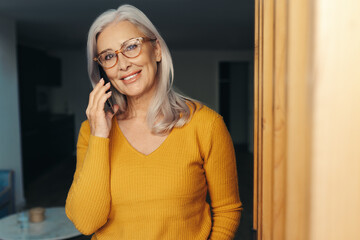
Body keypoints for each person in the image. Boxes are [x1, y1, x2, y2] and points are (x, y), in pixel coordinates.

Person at [65, 4, 242, 240]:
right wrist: (99, 136)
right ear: (103, 70)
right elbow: (86, 223)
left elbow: (227, 210)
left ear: (156, 50)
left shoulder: (205, 125)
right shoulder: (92, 131)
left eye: (131, 47)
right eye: (108, 56)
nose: (123, 64)